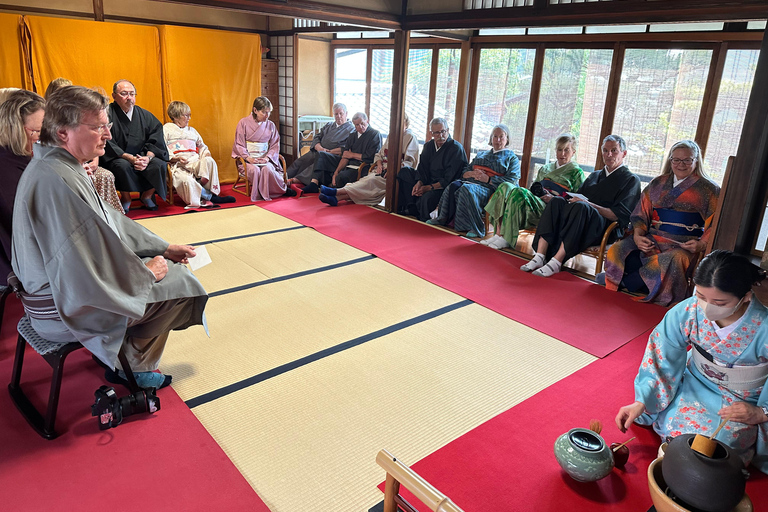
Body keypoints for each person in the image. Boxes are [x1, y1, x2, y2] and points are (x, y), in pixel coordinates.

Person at [12, 85, 208, 389]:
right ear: (63, 132)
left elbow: (112, 221)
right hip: (61, 308)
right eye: (99, 126)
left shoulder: (56, 164)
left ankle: (123, 353)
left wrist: (163, 247)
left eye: (108, 125)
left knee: (160, 263)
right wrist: (145, 274)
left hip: (46, 295)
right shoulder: (59, 180)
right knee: (182, 284)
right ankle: (133, 365)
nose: (108, 134)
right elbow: (83, 267)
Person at [615, 250, 768, 473]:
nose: (706, 307)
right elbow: (662, 354)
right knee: (678, 431)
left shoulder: (764, 327)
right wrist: (643, 400)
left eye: (719, 302)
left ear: (745, 296)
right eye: (701, 296)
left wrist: (760, 413)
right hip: (695, 382)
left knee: (719, 447)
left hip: (741, 401)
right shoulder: (689, 310)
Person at [603, 140, 720, 306]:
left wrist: (701, 244)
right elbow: (641, 213)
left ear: (696, 161)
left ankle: (625, 282)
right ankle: (633, 281)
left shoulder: (709, 189)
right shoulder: (657, 183)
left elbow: (715, 222)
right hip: (653, 238)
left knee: (672, 259)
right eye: (676, 160)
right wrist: (638, 236)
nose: (681, 164)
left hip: (683, 245)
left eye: (687, 160)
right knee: (618, 249)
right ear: (670, 160)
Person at [521, 134, 641, 277]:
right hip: (580, 219)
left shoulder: (631, 180)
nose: (609, 154)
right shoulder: (595, 175)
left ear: (624, 153)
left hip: (604, 227)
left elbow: (617, 215)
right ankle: (539, 256)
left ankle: (556, 262)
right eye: (605, 150)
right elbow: (577, 197)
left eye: (614, 150)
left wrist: (587, 204)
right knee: (556, 201)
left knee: (581, 207)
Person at [483, 134, 585, 250]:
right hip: (537, 202)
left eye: (567, 150)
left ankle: (507, 238)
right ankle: (499, 233)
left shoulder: (577, 173)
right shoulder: (546, 168)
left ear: (573, 152)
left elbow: (577, 200)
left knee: (519, 192)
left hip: (552, 209)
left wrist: (553, 198)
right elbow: (534, 189)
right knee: (505, 186)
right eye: (559, 150)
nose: (562, 154)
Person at [427, 124, 519, 238]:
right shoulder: (482, 154)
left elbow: (512, 180)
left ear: (507, 139)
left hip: (491, 190)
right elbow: (465, 170)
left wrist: (489, 179)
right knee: (453, 186)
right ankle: (442, 218)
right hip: (472, 182)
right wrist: (470, 173)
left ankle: (476, 227)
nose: (498, 140)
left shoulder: (512, 158)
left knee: (467, 190)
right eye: (495, 136)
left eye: (501, 137)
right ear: (491, 138)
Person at [318, 113, 419, 207]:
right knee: (365, 183)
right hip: (381, 170)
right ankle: (337, 198)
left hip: (393, 174)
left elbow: (410, 162)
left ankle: (337, 192)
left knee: (369, 183)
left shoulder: (410, 138)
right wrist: (379, 164)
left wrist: (393, 169)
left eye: (400, 123)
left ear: (405, 123)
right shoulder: (391, 136)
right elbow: (379, 154)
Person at [102, 79, 169, 212]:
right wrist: (129, 157)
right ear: (114, 96)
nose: (129, 98)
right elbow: (106, 140)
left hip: (143, 156)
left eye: (132, 94)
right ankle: (126, 198)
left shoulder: (145, 115)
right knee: (121, 166)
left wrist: (147, 158)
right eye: (124, 93)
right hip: (119, 156)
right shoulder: (107, 113)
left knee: (159, 164)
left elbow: (156, 138)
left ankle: (147, 196)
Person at [0, 90, 45, 280]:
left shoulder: (21, 156)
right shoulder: (6, 167)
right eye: (37, 132)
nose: (43, 138)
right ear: (15, 129)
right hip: (17, 256)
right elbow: (23, 223)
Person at [164, 101, 234, 207]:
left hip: (194, 162)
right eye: (186, 115)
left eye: (189, 115)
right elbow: (162, 149)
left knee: (209, 161)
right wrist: (176, 158)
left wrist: (206, 154)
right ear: (176, 116)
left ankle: (206, 187)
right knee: (186, 180)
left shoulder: (192, 131)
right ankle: (209, 197)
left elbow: (202, 146)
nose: (189, 118)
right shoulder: (166, 129)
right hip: (178, 164)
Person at [397, 117, 468, 221]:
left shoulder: (456, 148)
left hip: (443, 186)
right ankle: (411, 206)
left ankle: (423, 218)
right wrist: (419, 182)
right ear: (432, 134)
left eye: (443, 131)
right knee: (404, 172)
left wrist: (428, 187)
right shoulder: (428, 146)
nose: (441, 136)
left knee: (427, 198)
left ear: (447, 130)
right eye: (437, 133)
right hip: (427, 180)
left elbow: (451, 178)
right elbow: (422, 168)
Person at [303, 112, 382, 193]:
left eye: (362, 123)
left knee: (341, 176)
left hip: (361, 166)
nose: (360, 127)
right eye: (357, 125)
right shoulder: (352, 135)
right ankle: (314, 184)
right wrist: (336, 171)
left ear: (367, 121)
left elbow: (371, 156)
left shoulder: (375, 134)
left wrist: (352, 155)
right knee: (321, 155)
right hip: (348, 163)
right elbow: (345, 156)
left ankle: (334, 192)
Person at [232, 96, 287, 201]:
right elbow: (239, 144)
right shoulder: (243, 123)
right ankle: (258, 194)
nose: (267, 116)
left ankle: (280, 191)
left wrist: (267, 158)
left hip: (265, 159)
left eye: (269, 112)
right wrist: (248, 158)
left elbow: (275, 144)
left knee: (267, 169)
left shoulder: (270, 125)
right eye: (264, 112)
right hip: (248, 160)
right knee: (255, 170)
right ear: (255, 110)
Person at [287, 103, 355, 186]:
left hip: (333, 156)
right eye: (336, 114)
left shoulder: (351, 129)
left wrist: (329, 152)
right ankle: (285, 176)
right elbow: (317, 136)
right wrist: (318, 147)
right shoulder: (329, 125)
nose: (339, 116)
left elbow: (346, 147)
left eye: (341, 113)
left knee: (317, 162)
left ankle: (297, 179)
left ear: (346, 113)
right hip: (320, 150)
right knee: (302, 160)